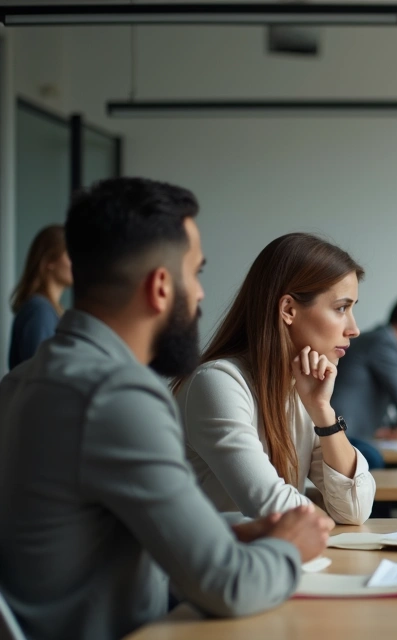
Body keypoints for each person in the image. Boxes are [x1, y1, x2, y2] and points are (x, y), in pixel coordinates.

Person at [0, 177, 332, 640]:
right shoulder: (117, 395)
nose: (199, 294)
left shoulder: (23, 381)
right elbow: (228, 586)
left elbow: (86, 538)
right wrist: (290, 549)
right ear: (160, 287)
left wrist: (226, 539)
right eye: (195, 273)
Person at [175, 233, 375, 525]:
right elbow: (274, 508)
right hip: (210, 568)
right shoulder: (217, 384)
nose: (354, 329)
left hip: (274, 561)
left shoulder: (301, 390)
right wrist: (322, 517)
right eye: (341, 308)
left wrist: (323, 411)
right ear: (288, 310)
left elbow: (355, 510)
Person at [330, 294, 397, 469]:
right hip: (343, 435)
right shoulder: (383, 343)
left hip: (345, 432)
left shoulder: (376, 340)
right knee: (377, 460)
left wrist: (388, 427)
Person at [8, 224, 72, 369]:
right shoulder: (40, 311)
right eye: (70, 255)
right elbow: (41, 373)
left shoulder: (48, 309)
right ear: (50, 261)